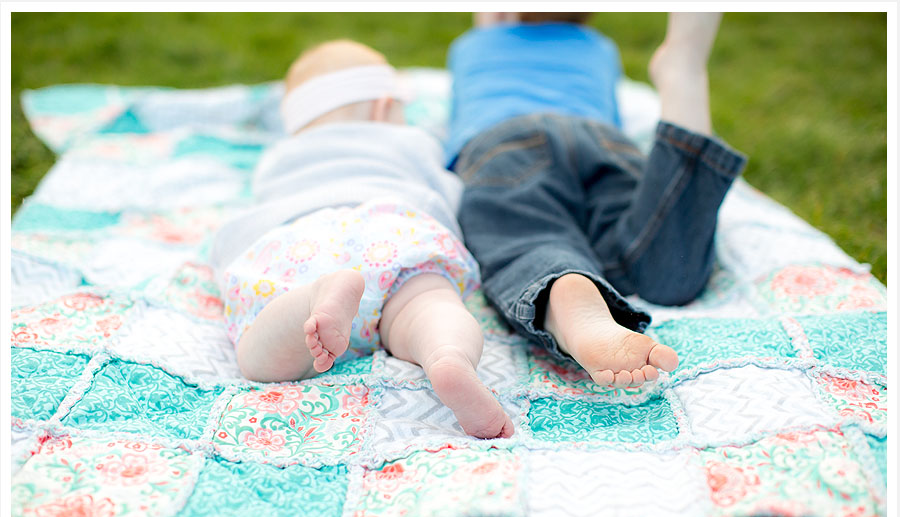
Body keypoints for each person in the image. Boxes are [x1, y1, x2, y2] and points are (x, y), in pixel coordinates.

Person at [210, 40, 513, 439]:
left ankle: (312, 297)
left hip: (299, 241)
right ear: (383, 107)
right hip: (389, 230)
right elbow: (453, 197)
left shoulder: (278, 157)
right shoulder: (412, 142)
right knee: (427, 305)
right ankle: (446, 356)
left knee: (259, 358)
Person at [447, 12, 747, 388]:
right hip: (603, 140)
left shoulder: (471, 46)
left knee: (525, 229)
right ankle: (682, 72)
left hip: (507, 139)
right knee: (667, 264)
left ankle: (561, 284)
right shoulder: (599, 47)